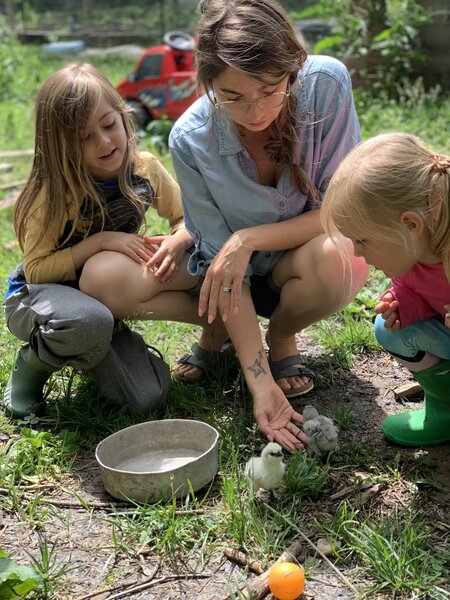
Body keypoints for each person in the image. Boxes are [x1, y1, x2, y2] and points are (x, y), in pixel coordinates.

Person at [80, 0, 368, 451]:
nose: (255, 112)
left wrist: (247, 239)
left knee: (344, 257)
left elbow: (345, 209)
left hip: (297, 261)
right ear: (207, 83)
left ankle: (283, 333)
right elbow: (221, 266)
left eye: (271, 89)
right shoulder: (190, 138)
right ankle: (227, 336)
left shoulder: (326, 83)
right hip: (229, 279)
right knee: (103, 278)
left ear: (294, 70)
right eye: (232, 97)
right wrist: (260, 386)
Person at [3, 63, 193, 419]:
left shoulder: (144, 169)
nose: (104, 142)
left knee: (146, 398)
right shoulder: (53, 194)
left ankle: (98, 344)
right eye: (83, 137)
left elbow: (186, 215)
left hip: (100, 302)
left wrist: (179, 237)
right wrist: (99, 242)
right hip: (38, 298)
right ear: (59, 146)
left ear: (123, 116)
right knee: (89, 322)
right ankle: (32, 364)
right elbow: (37, 269)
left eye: (108, 125)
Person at [321, 132, 450, 447]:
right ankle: (445, 410)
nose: (359, 253)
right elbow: (423, 294)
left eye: (363, 241)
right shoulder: (411, 254)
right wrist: (404, 303)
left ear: (410, 224)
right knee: (389, 329)